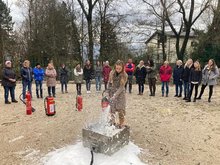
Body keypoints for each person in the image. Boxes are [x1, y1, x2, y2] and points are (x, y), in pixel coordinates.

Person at [109, 60, 128, 128]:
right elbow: (109, 83)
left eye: (119, 69)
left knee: (121, 110)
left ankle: (121, 124)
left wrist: (115, 95)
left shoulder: (125, 75)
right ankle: (112, 123)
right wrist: (109, 92)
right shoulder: (111, 73)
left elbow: (121, 87)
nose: (118, 70)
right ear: (115, 67)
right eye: (117, 68)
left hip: (121, 94)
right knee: (112, 109)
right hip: (112, 92)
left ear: (122, 68)